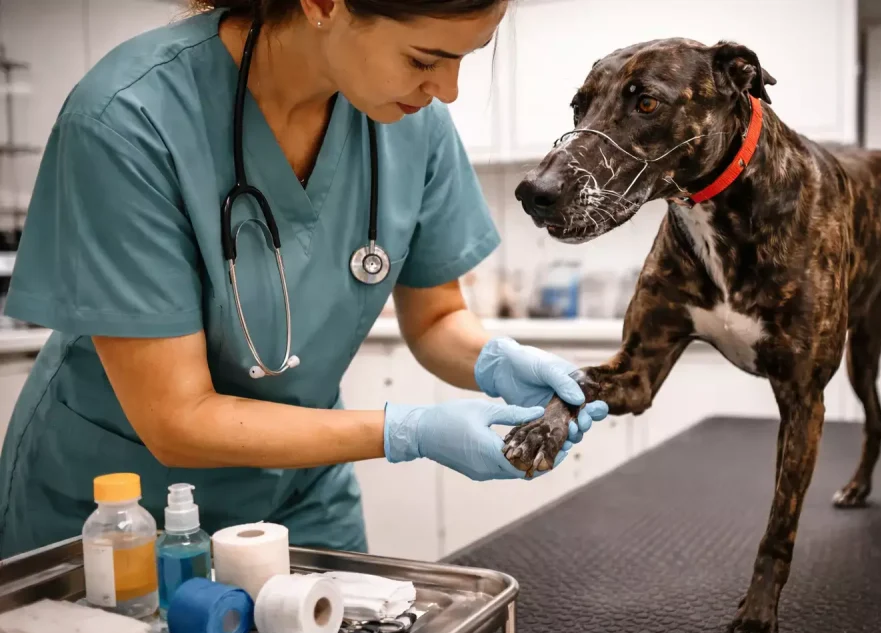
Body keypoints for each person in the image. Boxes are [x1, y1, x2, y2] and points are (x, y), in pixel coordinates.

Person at [0, 0, 608, 559]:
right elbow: (177, 419)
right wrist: (408, 431)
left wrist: (496, 362)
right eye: (425, 58)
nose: (446, 90)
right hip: (120, 512)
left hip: (299, 494)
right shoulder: (127, 119)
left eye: (464, 61)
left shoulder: (408, 120)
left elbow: (436, 318)